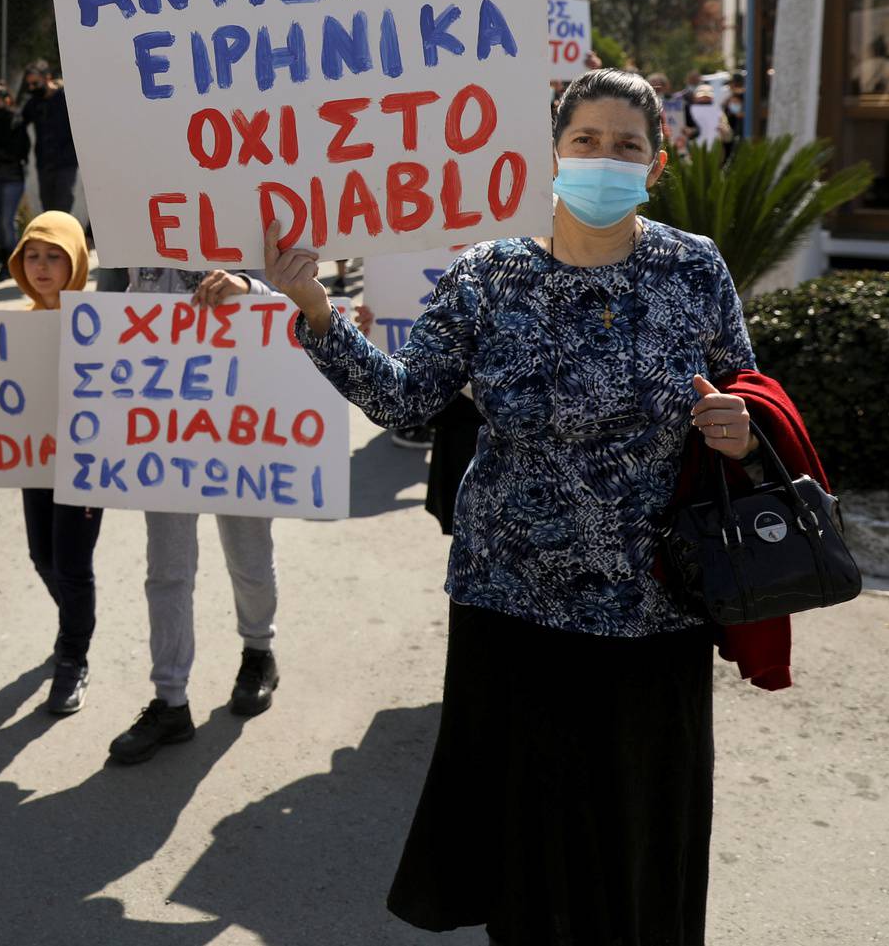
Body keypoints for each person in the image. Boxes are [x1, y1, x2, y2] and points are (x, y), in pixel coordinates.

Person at [267, 68, 770, 945]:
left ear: (656, 165)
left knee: (638, 845)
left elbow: (748, 393)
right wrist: (315, 307)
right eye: (587, 142)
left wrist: (743, 429)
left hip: (653, 608)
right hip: (512, 605)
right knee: (526, 854)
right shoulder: (487, 273)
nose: (605, 160)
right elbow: (408, 400)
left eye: (627, 147)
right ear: (553, 154)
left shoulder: (694, 268)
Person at [106, 260, 285, 763]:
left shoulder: (239, 205)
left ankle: (258, 653)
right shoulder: (134, 229)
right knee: (166, 572)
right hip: (163, 426)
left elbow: (293, 299)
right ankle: (171, 702)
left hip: (239, 422)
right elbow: (108, 315)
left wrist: (248, 286)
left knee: (248, 559)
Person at [7, 212, 101, 714]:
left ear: (76, 262)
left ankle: (73, 657)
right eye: (32, 255)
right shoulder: (13, 324)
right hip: (33, 463)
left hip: (84, 466)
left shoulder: (97, 322)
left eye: (54, 256)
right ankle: (76, 622)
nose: (41, 267)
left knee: (71, 564)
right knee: (42, 559)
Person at [21, 62, 79, 217]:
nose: (32, 88)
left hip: (66, 164)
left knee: (63, 209)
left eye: (35, 83)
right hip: (44, 165)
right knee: (48, 211)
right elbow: (18, 123)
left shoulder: (65, 98)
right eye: (29, 85)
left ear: (47, 78)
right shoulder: (33, 103)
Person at [0, 81, 31, 260]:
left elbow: (20, 149)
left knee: (6, 221)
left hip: (12, 177)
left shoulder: (16, 120)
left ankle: (11, 260)